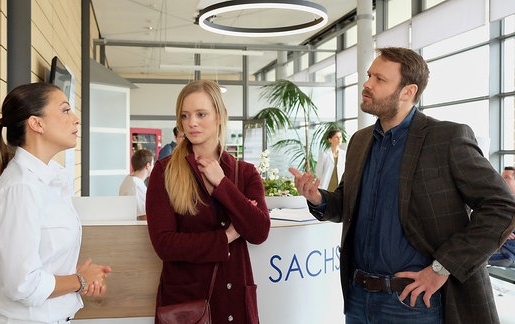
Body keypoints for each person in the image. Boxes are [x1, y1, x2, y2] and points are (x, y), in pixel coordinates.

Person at [289, 47, 515, 324]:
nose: (367, 84)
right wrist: (317, 199)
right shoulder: (360, 142)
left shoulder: (446, 138)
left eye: (379, 79)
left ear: (408, 91)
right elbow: (347, 202)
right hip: (358, 298)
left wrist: (442, 268)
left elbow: (502, 207)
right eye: (369, 75)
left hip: (414, 303)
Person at [0, 83, 112, 324]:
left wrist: (77, 276)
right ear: (36, 124)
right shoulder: (22, 187)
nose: (75, 120)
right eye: (65, 110)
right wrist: (80, 279)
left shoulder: (46, 180)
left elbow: (40, 259)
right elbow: (22, 285)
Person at [146, 80, 270, 324]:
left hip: (235, 300)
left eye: (201, 114)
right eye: (185, 115)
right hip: (188, 304)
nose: (191, 123)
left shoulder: (245, 173)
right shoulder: (164, 171)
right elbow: (165, 244)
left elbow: (259, 231)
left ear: (220, 116)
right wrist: (227, 236)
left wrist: (223, 184)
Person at [488, 166, 515, 267]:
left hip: (507, 255)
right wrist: (502, 232)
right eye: (501, 177)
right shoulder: (498, 201)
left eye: (506, 177)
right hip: (495, 250)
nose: (502, 180)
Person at [119, 148, 154, 220]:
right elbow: (144, 216)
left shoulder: (128, 179)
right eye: (153, 164)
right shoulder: (137, 185)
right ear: (148, 165)